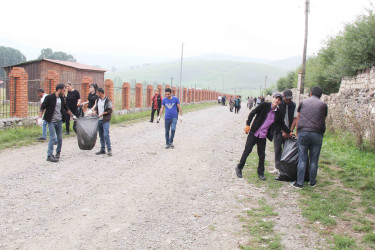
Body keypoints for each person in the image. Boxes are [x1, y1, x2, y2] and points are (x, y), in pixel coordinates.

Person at [235, 93, 291, 181]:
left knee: (262, 155)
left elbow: (281, 124)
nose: (277, 101)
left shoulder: (278, 112)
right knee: (247, 151)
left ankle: (260, 173)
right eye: (276, 98)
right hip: (254, 133)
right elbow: (252, 113)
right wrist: (247, 124)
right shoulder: (264, 105)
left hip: (263, 135)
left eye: (279, 100)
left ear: (280, 102)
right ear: (273, 98)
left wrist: (289, 132)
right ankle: (239, 168)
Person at [291, 86, 328, 189]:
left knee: (302, 159)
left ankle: (299, 183)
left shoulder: (303, 103)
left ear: (310, 93)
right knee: (314, 160)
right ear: (320, 95)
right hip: (317, 134)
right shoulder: (324, 105)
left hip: (303, 133)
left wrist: (297, 132)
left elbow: (298, 118)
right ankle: (312, 182)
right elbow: (323, 119)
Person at [39, 84, 76, 162]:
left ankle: (58, 153)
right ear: (59, 90)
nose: (64, 92)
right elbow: (42, 107)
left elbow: (66, 108)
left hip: (59, 121)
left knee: (59, 138)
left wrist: (73, 116)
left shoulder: (62, 98)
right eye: (63, 90)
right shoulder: (49, 97)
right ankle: (49, 155)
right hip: (51, 121)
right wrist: (39, 118)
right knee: (52, 137)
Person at [271, 89, 297, 175]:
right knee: (277, 149)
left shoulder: (293, 105)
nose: (289, 101)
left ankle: (285, 168)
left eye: (290, 99)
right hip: (278, 131)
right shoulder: (279, 105)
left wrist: (290, 131)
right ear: (283, 97)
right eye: (287, 99)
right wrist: (283, 131)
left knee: (287, 150)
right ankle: (277, 167)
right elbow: (277, 120)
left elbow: (295, 119)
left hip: (288, 132)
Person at [95, 88, 113, 156]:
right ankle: (102, 149)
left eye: (97, 93)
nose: (96, 94)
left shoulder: (107, 101)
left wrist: (103, 113)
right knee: (101, 135)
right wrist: (94, 112)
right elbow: (97, 109)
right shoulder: (97, 100)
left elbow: (110, 110)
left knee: (106, 135)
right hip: (99, 120)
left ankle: (109, 149)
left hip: (105, 120)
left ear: (100, 93)